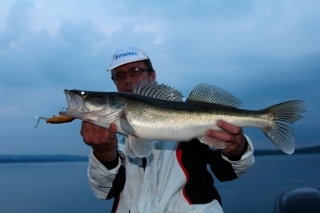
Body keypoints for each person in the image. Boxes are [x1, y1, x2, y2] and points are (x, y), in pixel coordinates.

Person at [80, 46, 255, 213]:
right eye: (119, 75)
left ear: (152, 74)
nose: (127, 80)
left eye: (135, 71)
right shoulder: (109, 131)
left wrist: (237, 150)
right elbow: (104, 191)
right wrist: (103, 153)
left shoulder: (190, 110)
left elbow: (227, 172)